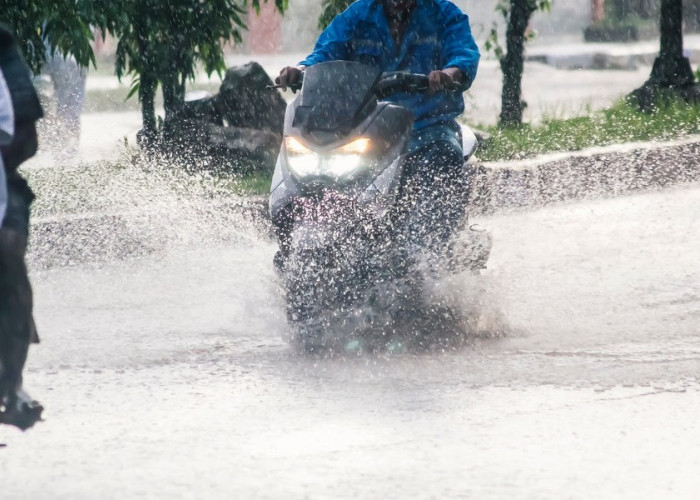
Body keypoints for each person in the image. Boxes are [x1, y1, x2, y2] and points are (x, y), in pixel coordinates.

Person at [274, 0, 480, 256]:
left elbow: (464, 55)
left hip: (426, 126)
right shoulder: (359, 15)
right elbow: (325, 53)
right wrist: (301, 70)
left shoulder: (444, 14)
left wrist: (449, 74)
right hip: (372, 124)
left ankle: (428, 257)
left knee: (443, 158)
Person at [0, 24, 44, 430]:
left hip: (0, 187)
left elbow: (26, 134)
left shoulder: (2, 47)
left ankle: (10, 384)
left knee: (9, 251)